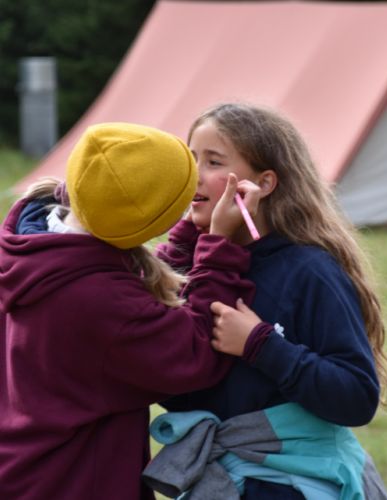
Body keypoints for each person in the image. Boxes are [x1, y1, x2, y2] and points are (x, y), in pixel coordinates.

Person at [0, 122, 265, 500]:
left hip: (24, 472)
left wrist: (189, 234)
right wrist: (219, 246)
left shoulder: (33, 246)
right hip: (72, 484)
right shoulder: (96, 298)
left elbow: (136, 298)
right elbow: (194, 353)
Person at [152, 103, 387, 499]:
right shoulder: (194, 268)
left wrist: (261, 345)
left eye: (213, 162)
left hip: (294, 486)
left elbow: (356, 398)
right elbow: (178, 385)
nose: (194, 175)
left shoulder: (309, 271)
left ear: (263, 183)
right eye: (191, 158)